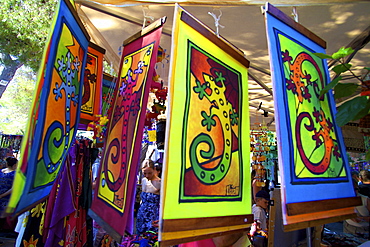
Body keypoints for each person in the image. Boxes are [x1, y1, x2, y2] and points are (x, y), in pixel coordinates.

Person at [136, 159, 161, 235]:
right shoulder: (143, 180)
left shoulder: (159, 183)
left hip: (154, 215)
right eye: (144, 173)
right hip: (142, 213)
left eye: (149, 173)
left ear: (154, 170)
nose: (147, 176)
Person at [0, 157, 18, 230]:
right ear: (14, 165)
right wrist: (2, 195)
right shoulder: (15, 174)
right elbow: (13, 188)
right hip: (7, 198)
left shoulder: (1, 171)